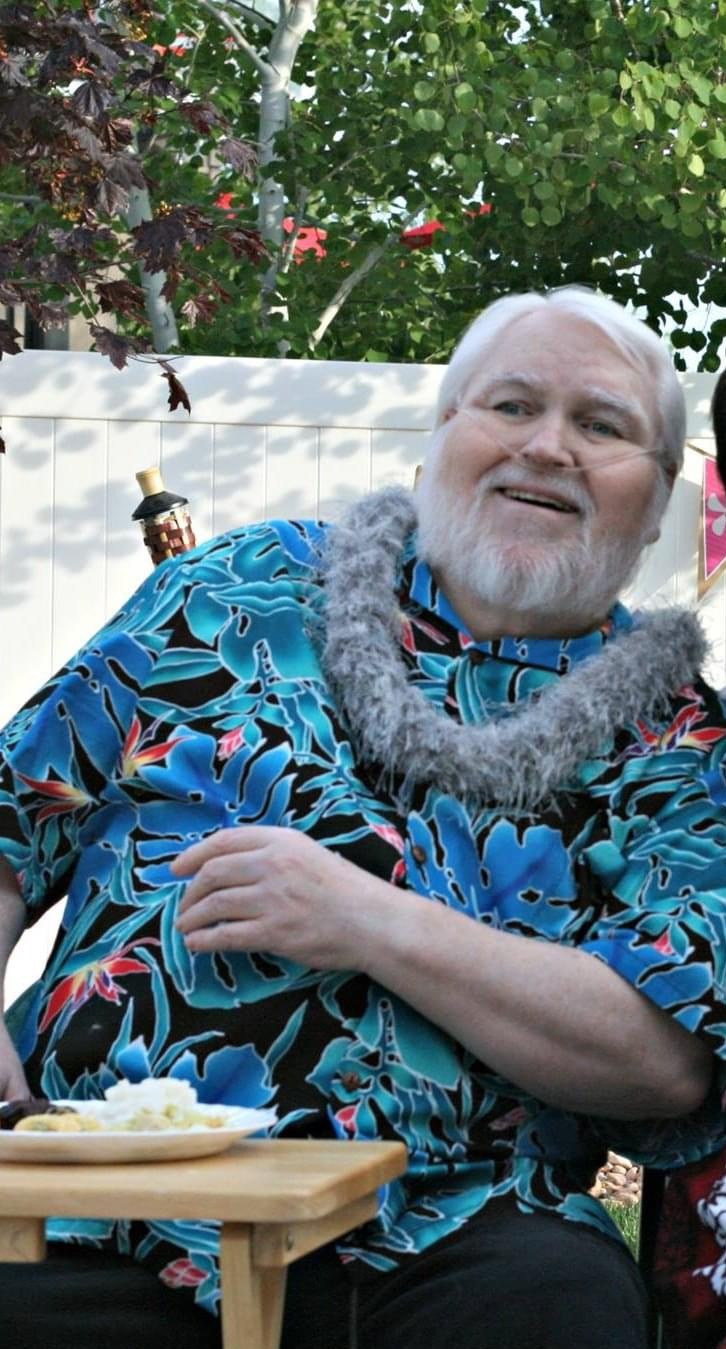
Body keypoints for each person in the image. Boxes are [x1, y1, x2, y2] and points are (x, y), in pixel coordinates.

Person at [1, 286, 725, 1349]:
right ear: (441, 434)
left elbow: (666, 1058)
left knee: (560, 1311)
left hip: (458, 1232)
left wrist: (368, 920)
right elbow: (10, 820)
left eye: (602, 425)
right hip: (97, 1211)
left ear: (658, 500)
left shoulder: (682, 738)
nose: (548, 446)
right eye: (511, 405)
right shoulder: (231, 589)